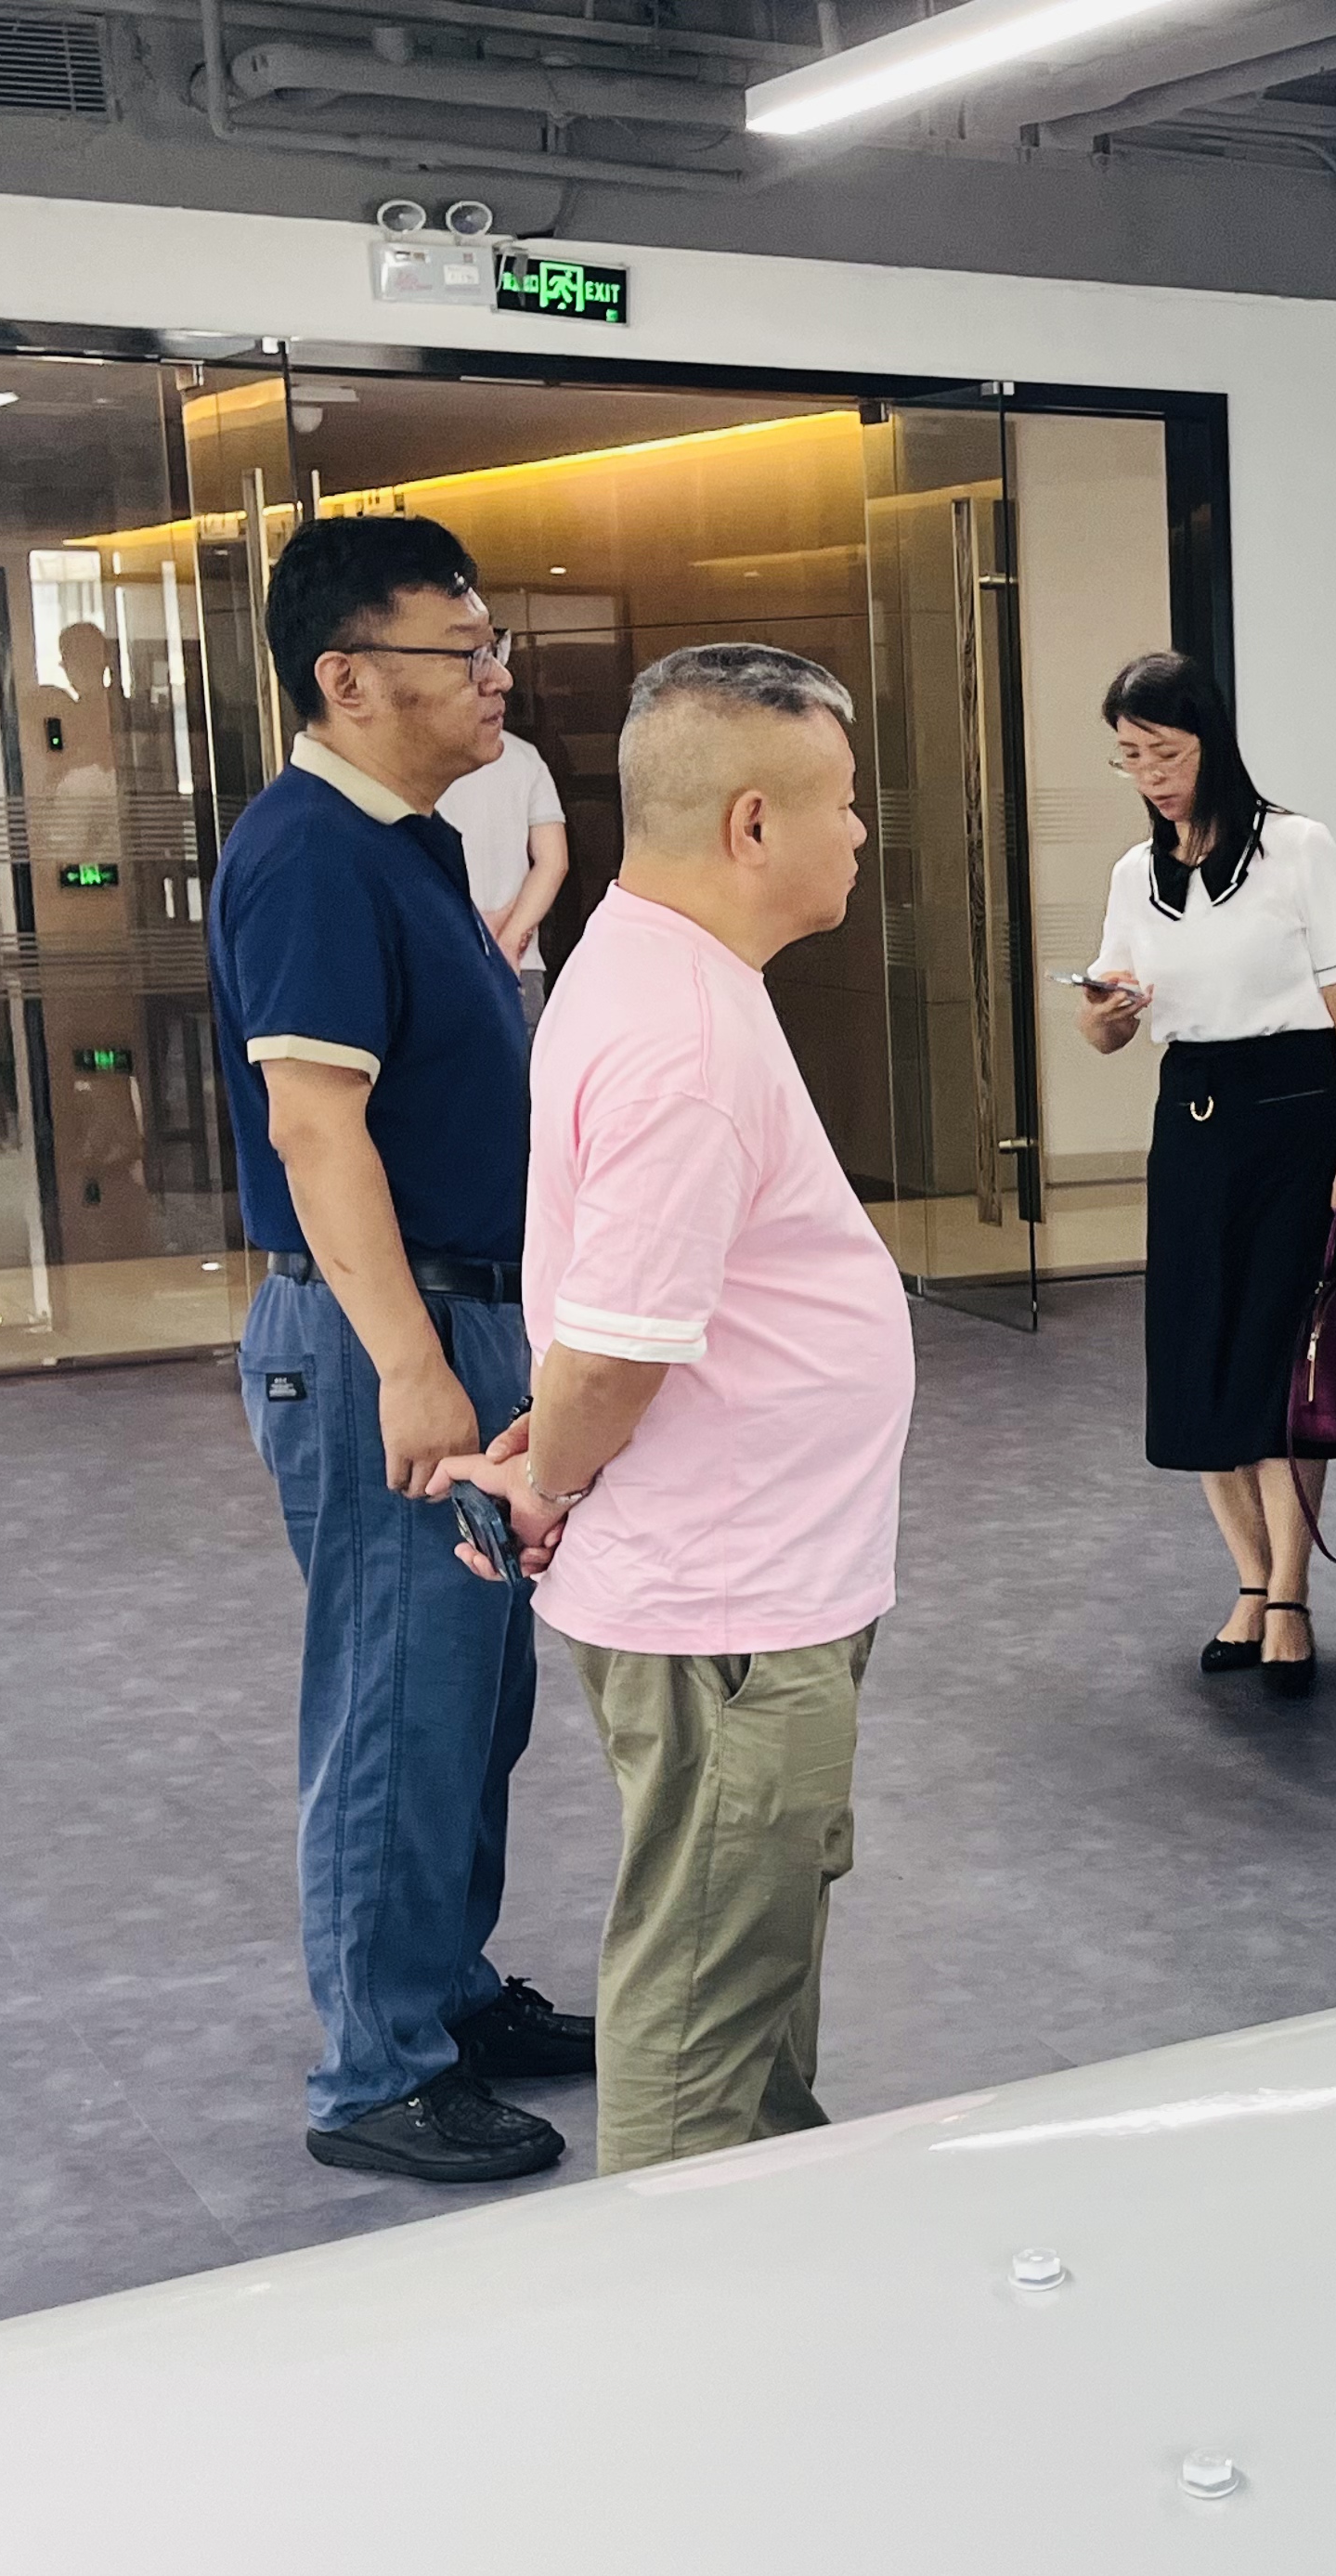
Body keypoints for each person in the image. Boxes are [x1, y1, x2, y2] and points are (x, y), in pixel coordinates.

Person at [435, 643, 914, 2174]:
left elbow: (609, 1316)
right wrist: (549, 1476)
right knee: (705, 1997)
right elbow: (613, 1354)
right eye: (846, 802)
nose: (862, 831)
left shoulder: (662, 969)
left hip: (751, 1580)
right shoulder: (684, 1037)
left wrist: (553, 1447)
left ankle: (759, 2232)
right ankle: (675, 2279)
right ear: (753, 823)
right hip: (728, 1605)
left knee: (748, 1967)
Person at [208, 513, 592, 2188]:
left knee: (470, 1698)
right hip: (391, 1330)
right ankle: (378, 2066)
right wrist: (417, 1363)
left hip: (463, 1315)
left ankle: (444, 1992)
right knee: (394, 1695)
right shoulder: (311, 852)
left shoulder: (411, 842)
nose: (496, 674)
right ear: (348, 677)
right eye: (465, 649)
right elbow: (315, 1126)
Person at [1075, 653, 1336, 1700]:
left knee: (1279, 1364)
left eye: (1164, 752)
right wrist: (1104, 1015)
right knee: (1198, 1357)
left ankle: (1289, 1593)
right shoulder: (1135, 874)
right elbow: (1108, 1030)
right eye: (1130, 758)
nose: (1151, 776)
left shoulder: (1298, 848)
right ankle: (1251, 1582)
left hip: (1297, 1117)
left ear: (1210, 740)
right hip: (1192, 1120)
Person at [440, 716, 570, 1018]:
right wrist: (509, 941)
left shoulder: (411, 759)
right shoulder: (525, 758)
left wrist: (471, 929)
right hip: (519, 964)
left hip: (441, 960)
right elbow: (553, 862)